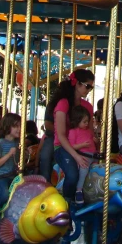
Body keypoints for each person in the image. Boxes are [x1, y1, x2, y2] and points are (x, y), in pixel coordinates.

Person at [49, 69, 95, 202]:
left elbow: (90, 132)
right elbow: (61, 135)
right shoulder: (63, 104)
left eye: (91, 87)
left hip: (84, 147)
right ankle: (67, 202)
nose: (89, 89)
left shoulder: (88, 106)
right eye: (88, 86)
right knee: (73, 175)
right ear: (77, 84)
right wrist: (76, 156)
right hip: (63, 147)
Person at [68, 105, 98, 204]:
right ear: (77, 121)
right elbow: (71, 146)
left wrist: (95, 140)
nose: (86, 124)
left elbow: (93, 143)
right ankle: (79, 190)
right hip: (83, 156)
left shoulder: (89, 131)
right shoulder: (73, 132)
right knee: (83, 171)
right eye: (84, 122)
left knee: (98, 172)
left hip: (93, 156)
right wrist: (82, 145)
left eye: (87, 121)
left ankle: (94, 191)